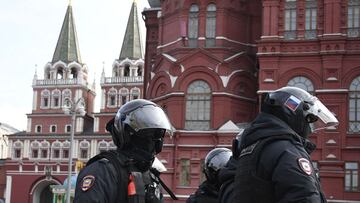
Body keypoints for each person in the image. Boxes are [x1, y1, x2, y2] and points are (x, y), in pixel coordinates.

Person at [229, 86, 339, 203]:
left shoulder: (252, 147)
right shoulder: (287, 151)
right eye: (308, 120)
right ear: (294, 114)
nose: (309, 129)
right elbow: (304, 198)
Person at [74, 99, 176, 203]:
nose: (153, 141)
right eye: (148, 134)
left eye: (158, 135)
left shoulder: (151, 175)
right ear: (127, 135)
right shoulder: (102, 172)